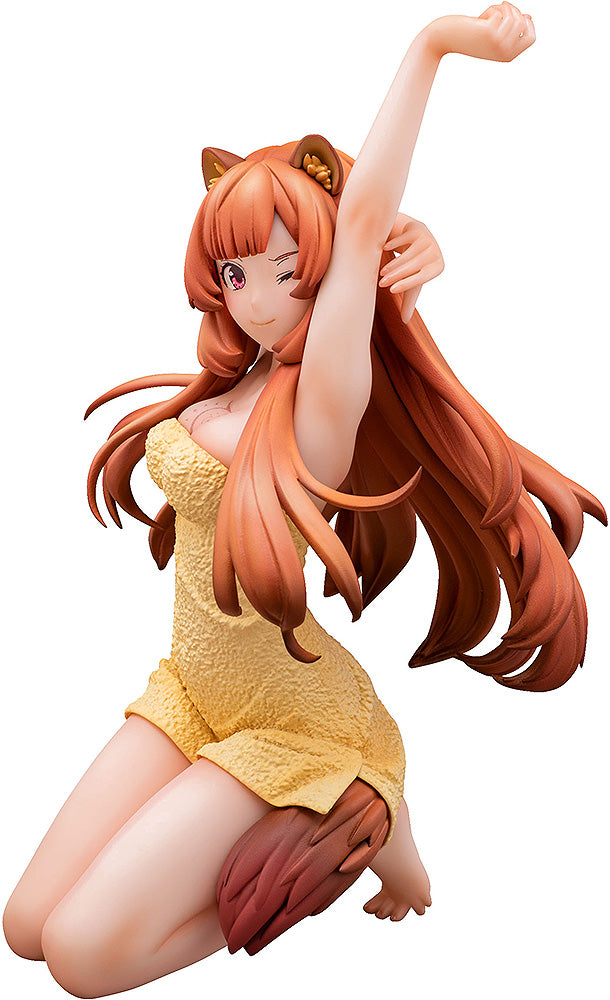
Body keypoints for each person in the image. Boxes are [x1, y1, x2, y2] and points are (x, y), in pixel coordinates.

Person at [3, 4, 604, 995]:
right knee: (25, 926)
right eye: (236, 271)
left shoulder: (321, 402)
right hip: (193, 687)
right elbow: (351, 255)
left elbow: (360, 226)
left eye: (289, 272)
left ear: (328, 274)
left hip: (291, 717)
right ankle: (354, 821)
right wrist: (408, 272)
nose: (254, 297)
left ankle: (355, 821)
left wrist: (433, 47)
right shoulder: (232, 380)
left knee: (78, 956)